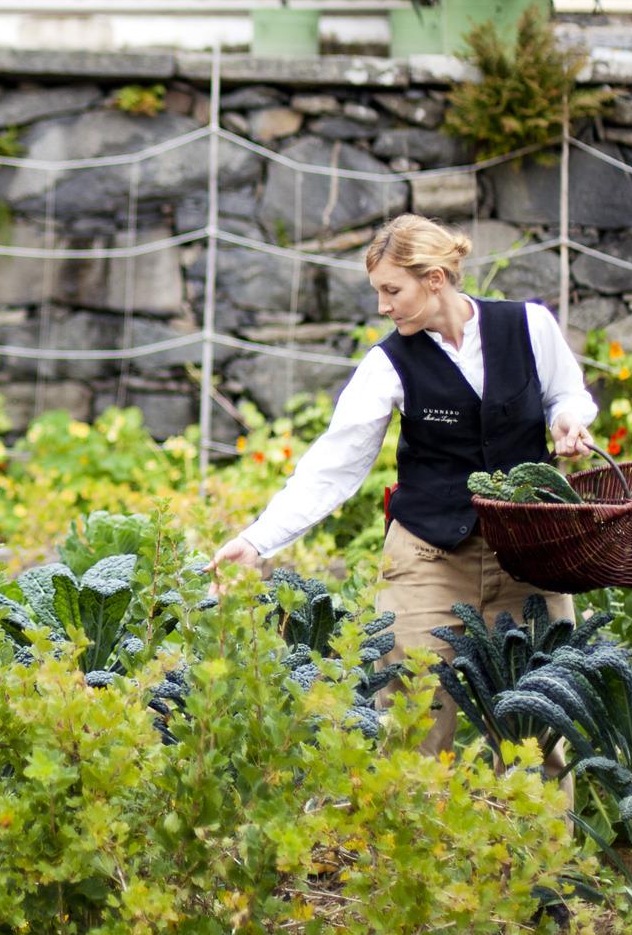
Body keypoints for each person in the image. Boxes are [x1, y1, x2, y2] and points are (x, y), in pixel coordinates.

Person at [210, 213, 598, 753]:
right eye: (379, 291)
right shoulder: (388, 362)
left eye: (392, 290)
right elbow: (336, 462)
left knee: (540, 732)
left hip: (530, 555)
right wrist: (258, 540)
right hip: (430, 556)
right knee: (410, 723)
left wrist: (569, 419)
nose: (382, 306)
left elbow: (568, 394)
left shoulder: (529, 326)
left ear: (434, 279)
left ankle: (537, 839)